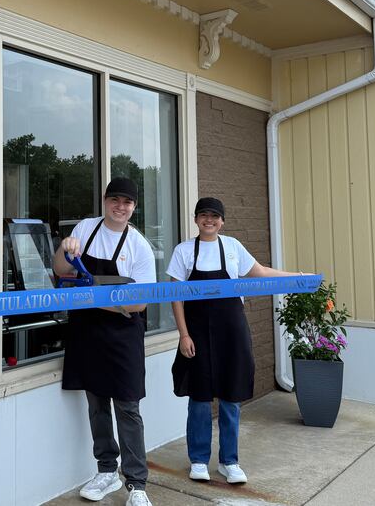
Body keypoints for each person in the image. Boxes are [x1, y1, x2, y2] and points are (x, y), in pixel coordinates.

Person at [167, 197, 303, 485]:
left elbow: (262, 273)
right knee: (200, 399)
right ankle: (199, 460)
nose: (209, 220)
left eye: (215, 216)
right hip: (197, 333)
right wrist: (184, 334)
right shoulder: (183, 251)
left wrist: (298, 277)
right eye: (204, 215)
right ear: (196, 219)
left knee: (232, 396)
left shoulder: (232, 247)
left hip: (232, 331)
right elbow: (176, 297)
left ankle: (230, 461)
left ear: (222, 221)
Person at [53, 177, 156, 506]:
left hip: (124, 334)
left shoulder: (139, 246)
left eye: (127, 202)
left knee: (127, 407)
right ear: (104, 200)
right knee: (96, 404)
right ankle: (107, 470)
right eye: (115, 200)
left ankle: (137, 484)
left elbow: (139, 303)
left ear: (134, 207)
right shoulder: (85, 229)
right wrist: (64, 249)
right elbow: (60, 271)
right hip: (88, 332)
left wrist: (91, 297)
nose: (120, 207)